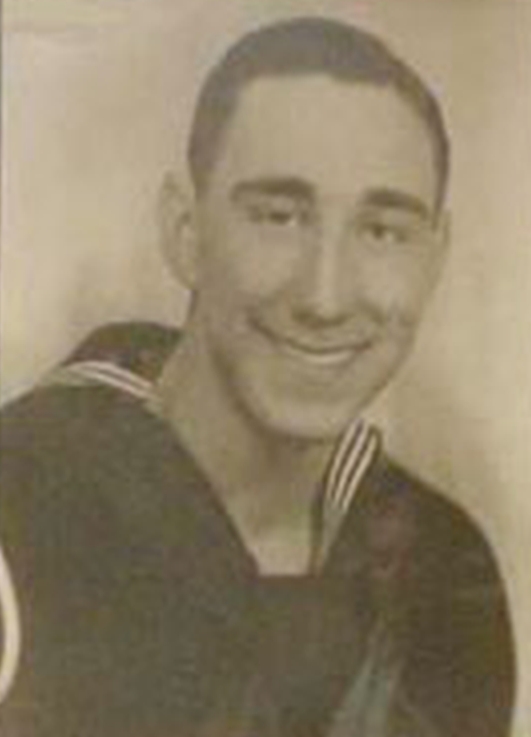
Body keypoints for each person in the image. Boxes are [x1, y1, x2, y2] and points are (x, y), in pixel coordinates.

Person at [0, 16, 516, 736]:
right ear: (186, 233)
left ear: (433, 258)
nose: (325, 297)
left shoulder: (444, 575)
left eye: (382, 230)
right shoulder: (24, 502)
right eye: (279, 217)